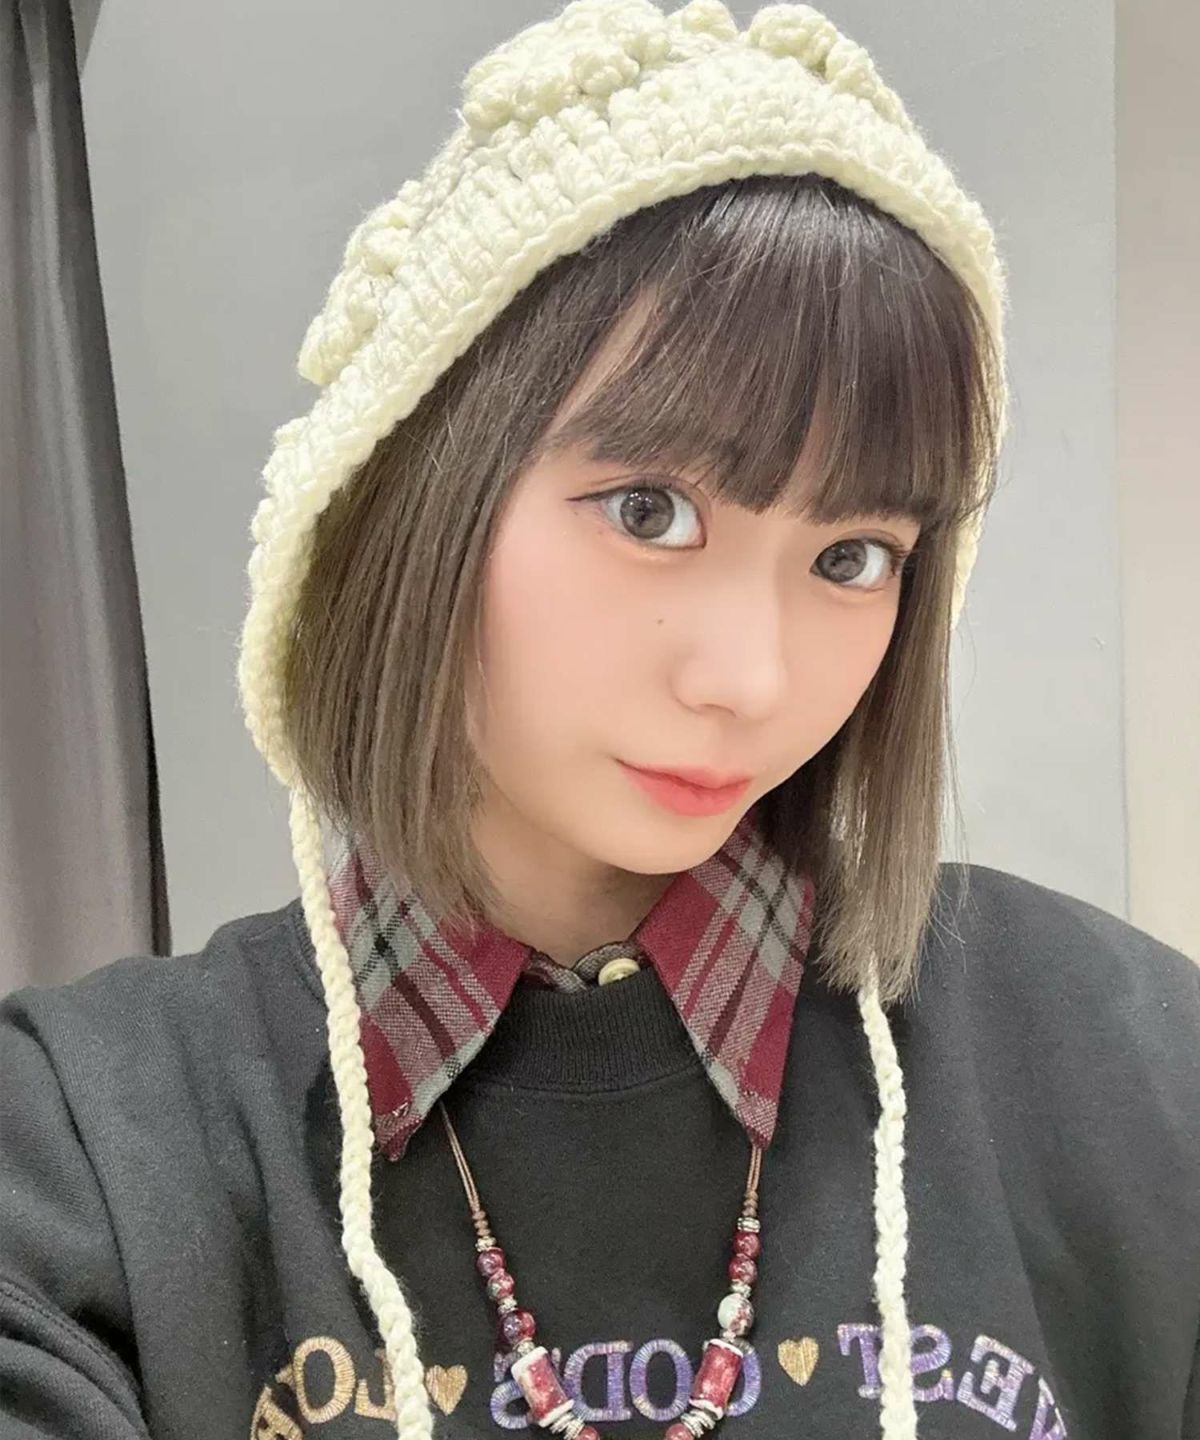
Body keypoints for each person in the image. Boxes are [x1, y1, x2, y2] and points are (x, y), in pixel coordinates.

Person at [2, 1, 1197, 1437]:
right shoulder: (85, 1150)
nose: (751, 679)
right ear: (415, 495)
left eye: (851, 555)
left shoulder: (1130, 1063)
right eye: (648, 511)